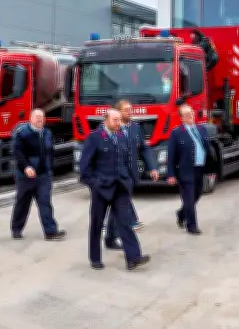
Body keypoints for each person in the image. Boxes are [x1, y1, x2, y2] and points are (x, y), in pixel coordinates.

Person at [79, 108, 151, 270]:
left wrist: (130, 180)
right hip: (102, 188)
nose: (119, 123)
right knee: (97, 224)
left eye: (119, 120)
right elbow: (84, 168)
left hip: (120, 187)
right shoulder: (95, 138)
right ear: (106, 120)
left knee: (125, 223)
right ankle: (95, 258)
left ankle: (133, 257)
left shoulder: (122, 137)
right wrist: (94, 183)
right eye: (115, 120)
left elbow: (127, 161)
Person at [104, 99, 158, 250]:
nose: (130, 112)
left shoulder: (136, 128)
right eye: (126, 109)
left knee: (118, 207)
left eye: (131, 109)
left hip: (130, 175)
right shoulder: (111, 129)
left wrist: (152, 168)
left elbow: (144, 149)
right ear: (118, 112)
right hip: (115, 176)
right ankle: (129, 245)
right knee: (121, 206)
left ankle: (110, 238)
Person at [9, 109, 67, 240]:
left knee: (45, 202)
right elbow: (18, 153)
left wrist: (51, 169)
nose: (41, 120)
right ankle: (16, 229)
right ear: (31, 119)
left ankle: (50, 231)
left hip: (44, 176)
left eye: (43, 117)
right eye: (38, 117)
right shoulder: (22, 133)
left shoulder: (47, 133)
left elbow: (50, 152)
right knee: (23, 203)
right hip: (26, 177)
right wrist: (26, 167)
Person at [166, 104, 216, 235]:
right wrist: (171, 174)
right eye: (187, 114)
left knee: (197, 194)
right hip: (185, 170)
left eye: (192, 113)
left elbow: (208, 149)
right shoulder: (177, 132)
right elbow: (170, 155)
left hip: (199, 169)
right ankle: (192, 225)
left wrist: (211, 169)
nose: (191, 116)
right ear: (182, 118)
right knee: (188, 198)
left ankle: (182, 213)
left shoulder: (201, 129)